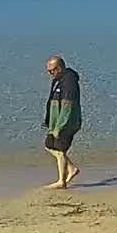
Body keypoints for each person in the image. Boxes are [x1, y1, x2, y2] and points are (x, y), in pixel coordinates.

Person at [42, 55, 82, 189]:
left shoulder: (69, 81)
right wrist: (49, 121)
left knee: (59, 149)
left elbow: (67, 106)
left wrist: (60, 127)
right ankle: (72, 169)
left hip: (67, 122)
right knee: (49, 145)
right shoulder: (57, 80)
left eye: (51, 70)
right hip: (56, 122)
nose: (49, 73)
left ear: (59, 68)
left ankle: (61, 181)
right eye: (48, 71)